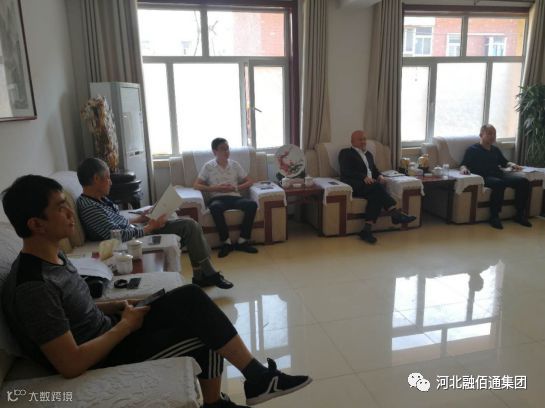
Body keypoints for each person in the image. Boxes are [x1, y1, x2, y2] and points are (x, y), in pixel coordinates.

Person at [1, 175, 312, 408]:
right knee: (203, 334)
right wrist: (125, 326)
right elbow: (70, 364)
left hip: (109, 330)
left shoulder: (54, 256)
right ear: (36, 224)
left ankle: (254, 379)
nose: (71, 213)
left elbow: (76, 309)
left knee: (190, 297)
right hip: (104, 355)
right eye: (61, 208)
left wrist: (120, 306)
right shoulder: (33, 287)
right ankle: (246, 386)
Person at [76, 158, 233, 289]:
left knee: (187, 224)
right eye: (107, 177)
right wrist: (150, 227)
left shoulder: (100, 199)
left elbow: (118, 221)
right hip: (134, 239)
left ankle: (202, 275)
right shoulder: (89, 207)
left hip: (137, 229)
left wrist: (141, 218)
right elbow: (116, 236)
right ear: (96, 179)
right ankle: (207, 274)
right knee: (189, 226)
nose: (111, 182)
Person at [338, 130, 416, 244]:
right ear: (352, 142)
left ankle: (366, 230)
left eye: (364, 139)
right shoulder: (346, 153)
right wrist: (363, 177)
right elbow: (346, 171)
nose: (363, 141)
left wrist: (380, 176)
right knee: (376, 187)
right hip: (354, 184)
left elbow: (374, 170)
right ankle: (395, 213)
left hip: (370, 185)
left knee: (376, 194)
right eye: (360, 139)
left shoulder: (368, 154)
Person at [194, 138, 258, 258]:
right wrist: (216, 188)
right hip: (217, 198)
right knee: (215, 207)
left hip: (235, 197)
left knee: (252, 205)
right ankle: (226, 243)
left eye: (227, 148)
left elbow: (250, 181)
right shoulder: (208, 166)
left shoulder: (235, 165)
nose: (226, 151)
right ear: (215, 151)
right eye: (223, 149)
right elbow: (196, 185)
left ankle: (242, 241)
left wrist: (236, 188)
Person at [460, 124, 531, 230]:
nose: (492, 136)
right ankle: (494, 216)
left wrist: (513, 165)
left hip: (498, 174)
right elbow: (463, 164)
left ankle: (520, 214)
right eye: (489, 134)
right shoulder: (472, 149)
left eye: (494, 134)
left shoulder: (495, 149)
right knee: (499, 184)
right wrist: (464, 169)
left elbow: (505, 162)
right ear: (481, 135)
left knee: (523, 181)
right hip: (483, 176)